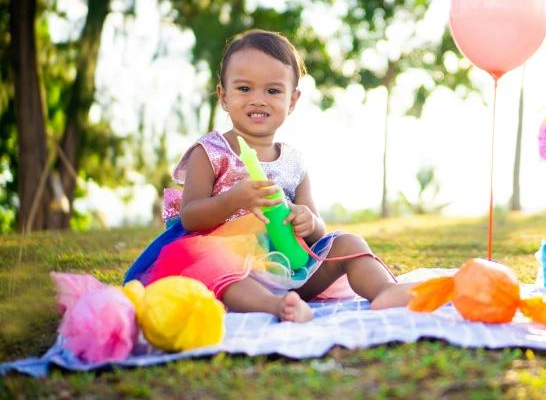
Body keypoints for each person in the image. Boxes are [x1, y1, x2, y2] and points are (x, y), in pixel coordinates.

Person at [125, 29, 414, 322]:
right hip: (230, 270)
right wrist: (234, 198)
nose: (258, 100)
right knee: (222, 269)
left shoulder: (293, 161)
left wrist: (305, 219)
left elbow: (317, 232)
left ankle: (384, 290)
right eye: (244, 89)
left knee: (349, 244)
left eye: (273, 91)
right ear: (223, 97)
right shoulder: (210, 152)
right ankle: (277, 307)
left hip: (292, 267)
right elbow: (190, 216)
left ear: (292, 101)